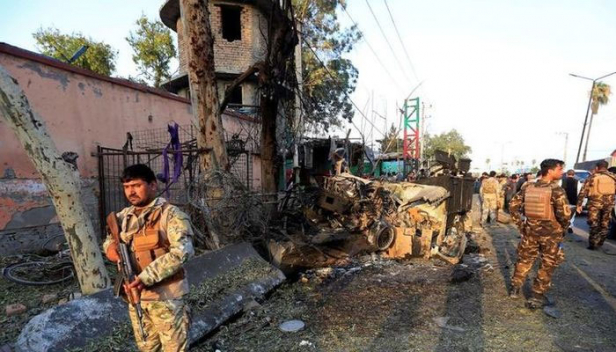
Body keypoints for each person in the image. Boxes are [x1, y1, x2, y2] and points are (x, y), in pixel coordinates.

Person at [103, 164, 194, 351]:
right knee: (147, 348)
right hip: (136, 298)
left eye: (136, 185)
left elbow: (182, 252)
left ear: (153, 185)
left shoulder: (171, 215)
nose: (131, 192)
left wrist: (145, 278)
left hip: (167, 299)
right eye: (127, 187)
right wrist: (110, 249)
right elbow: (109, 241)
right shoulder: (123, 217)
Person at [509, 159, 571, 309]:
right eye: (559, 169)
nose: (561, 172)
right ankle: (537, 296)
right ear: (550, 171)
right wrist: (564, 228)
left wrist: (521, 225)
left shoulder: (528, 187)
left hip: (530, 232)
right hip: (550, 235)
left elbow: (513, 206)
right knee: (547, 264)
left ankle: (515, 289)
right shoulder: (556, 190)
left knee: (524, 259)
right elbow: (564, 215)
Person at [576, 160, 616, 250]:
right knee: (605, 224)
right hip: (609, 204)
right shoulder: (613, 177)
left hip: (594, 204)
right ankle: (601, 242)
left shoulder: (593, 177)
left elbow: (583, 191)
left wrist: (579, 204)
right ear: (606, 167)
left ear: (597, 168)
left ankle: (593, 244)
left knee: (594, 223)